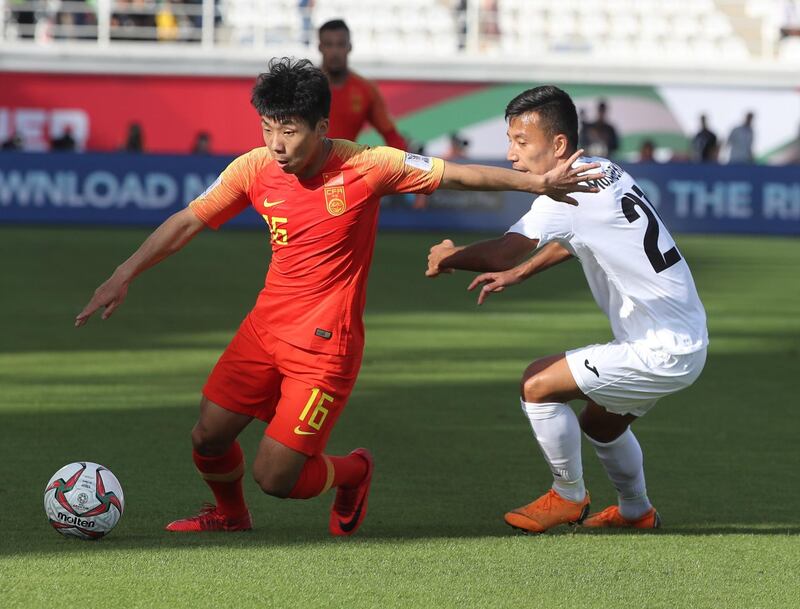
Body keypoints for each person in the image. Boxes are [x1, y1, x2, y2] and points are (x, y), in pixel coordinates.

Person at [75, 59, 601, 537]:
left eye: (289, 131)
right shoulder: (253, 168)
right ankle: (230, 516)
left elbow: (456, 174)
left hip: (325, 348)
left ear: (322, 127)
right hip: (263, 331)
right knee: (207, 437)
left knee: (276, 477)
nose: (276, 144)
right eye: (267, 128)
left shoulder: (368, 166)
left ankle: (354, 471)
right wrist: (124, 272)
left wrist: (535, 186)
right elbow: (189, 220)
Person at [426, 85, 708, 534]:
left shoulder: (564, 198)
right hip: (683, 337)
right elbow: (578, 240)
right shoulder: (603, 169)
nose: (512, 153)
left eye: (521, 141)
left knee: (536, 384)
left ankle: (567, 496)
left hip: (661, 349)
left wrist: (449, 255)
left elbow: (502, 251)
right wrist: (522, 273)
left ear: (558, 144)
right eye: (510, 140)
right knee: (601, 424)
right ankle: (637, 511)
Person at [318, 19, 408, 149]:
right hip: (308, 168)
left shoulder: (365, 90)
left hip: (346, 166)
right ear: (320, 47)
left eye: (340, 44)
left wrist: (402, 166)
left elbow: (391, 135)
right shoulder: (305, 87)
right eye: (329, 44)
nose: (335, 52)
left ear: (349, 47)